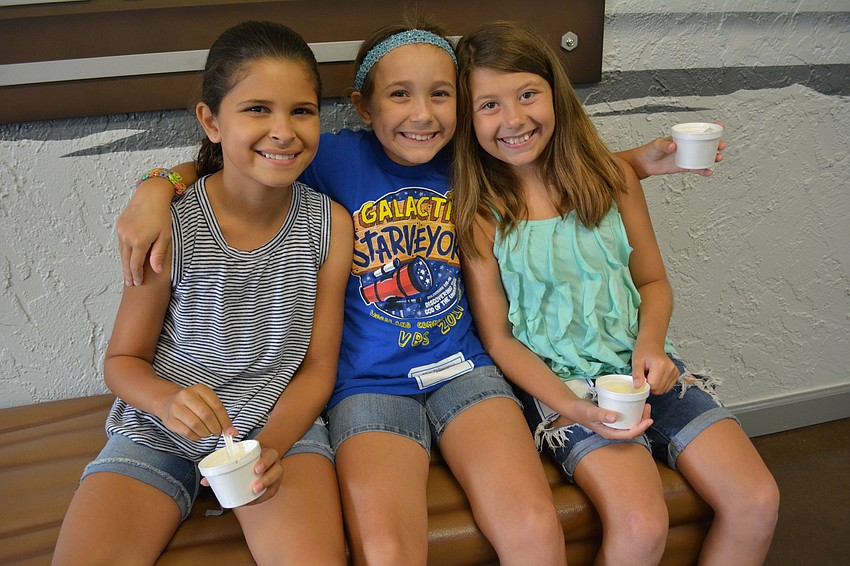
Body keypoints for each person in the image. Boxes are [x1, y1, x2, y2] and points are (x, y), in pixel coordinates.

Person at [113, 18, 723, 566]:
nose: (421, 115)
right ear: (362, 106)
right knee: (388, 550)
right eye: (399, 95)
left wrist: (640, 161)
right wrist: (156, 186)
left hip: (468, 371)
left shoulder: (470, 156)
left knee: (536, 530)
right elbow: (242, 158)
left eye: (440, 95)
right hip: (368, 387)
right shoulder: (330, 157)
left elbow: (550, 161)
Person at [453, 21, 779, 566]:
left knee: (757, 499)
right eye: (489, 105)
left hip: (645, 369)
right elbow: (501, 340)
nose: (513, 119)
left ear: (555, 94)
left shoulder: (610, 179)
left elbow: (652, 282)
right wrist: (574, 408)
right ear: (467, 119)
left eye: (528, 95)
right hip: (563, 388)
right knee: (640, 523)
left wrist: (651, 345)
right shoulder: (482, 214)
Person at [52, 21, 352, 566]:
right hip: (156, 433)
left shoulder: (329, 225)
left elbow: (316, 367)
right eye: (257, 109)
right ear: (211, 121)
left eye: (301, 111)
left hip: (274, 427)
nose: (282, 130)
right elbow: (122, 361)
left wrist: (272, 448)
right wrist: (166, 401)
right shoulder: (171, 225)